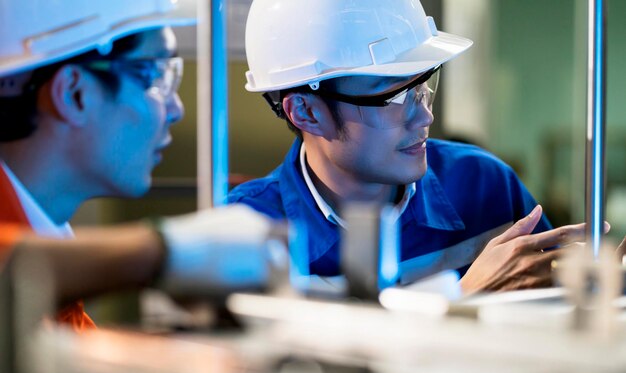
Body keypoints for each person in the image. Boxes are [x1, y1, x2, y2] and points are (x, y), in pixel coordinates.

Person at [228, 0, 591, 293]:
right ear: (306, 111)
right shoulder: (246, 232)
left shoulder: (484, 186)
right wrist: (463, 301)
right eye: (396, 96)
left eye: (422, 88)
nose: (424, 117)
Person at [0, 0, 276, 331]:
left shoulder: (50, 266)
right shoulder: (35, 270)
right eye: (155, 77)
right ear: (75, 93)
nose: (176, 109)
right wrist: (166, 251)